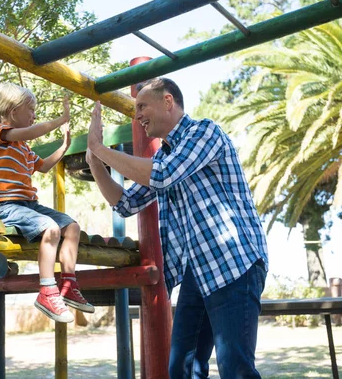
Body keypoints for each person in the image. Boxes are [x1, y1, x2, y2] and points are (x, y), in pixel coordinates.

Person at [86, 78, 268, 378]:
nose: (137, 115)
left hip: (235, 266)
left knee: (235, 368)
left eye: (142, 106)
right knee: (182, 369)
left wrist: (101, 148)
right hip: (199, 273)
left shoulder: (204, 132)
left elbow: (164, 176)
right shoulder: (163, 155)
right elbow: (125, 203)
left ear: (168, 102)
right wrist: (95, 159)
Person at [0, 82, 94, 323]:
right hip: (4, 205)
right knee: (51, 228)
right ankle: (47, 290)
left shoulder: (23, 146)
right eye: (30, 109)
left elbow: (43, 167)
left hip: (28, 205)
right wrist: (59, 119)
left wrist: (64, 146)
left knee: (72, 227)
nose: (34, 115)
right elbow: (30, 132)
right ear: (12, 111)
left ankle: (69, 284)